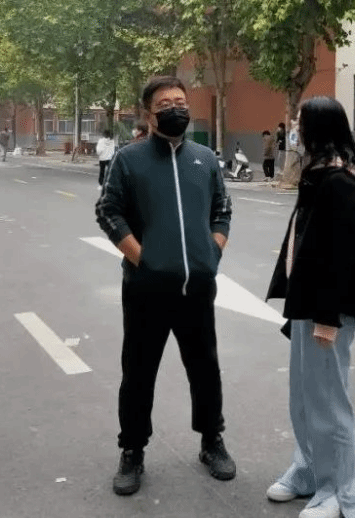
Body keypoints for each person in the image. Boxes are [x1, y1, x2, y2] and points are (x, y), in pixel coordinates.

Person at [95, 76, 235, 497]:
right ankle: (132, 450)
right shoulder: (129, 159)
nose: (175, 107)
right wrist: (145, 260)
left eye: (180, 100)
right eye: (165, 103)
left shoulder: (204, 158)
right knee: (138, 372)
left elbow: (222, 209)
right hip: (146, 290)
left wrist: (211, 255)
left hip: (197, 289)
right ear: (149, 113)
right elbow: (108, 211)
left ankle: (211, 440)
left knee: (205, 368)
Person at [265, 96, 355, 519]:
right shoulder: (318, 175)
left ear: (317, 129)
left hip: (328, 310)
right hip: (308, 303)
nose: (294, 126)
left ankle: (339, 493)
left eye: (300, 121)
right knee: (304, 397)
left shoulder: (339, 184)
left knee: (329, 402)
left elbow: (343, 259)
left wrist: (327, 319)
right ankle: (308, 470)